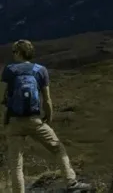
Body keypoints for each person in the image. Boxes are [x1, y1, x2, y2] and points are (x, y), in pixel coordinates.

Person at [2, 40, 91, 193]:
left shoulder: (9, 70)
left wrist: (6, 119)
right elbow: (47, 99)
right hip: (35, 120)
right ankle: (71, 183)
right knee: (58, 149)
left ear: (18, 53)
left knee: (16, 163)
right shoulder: (40, 70)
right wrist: (48, 117)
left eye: (13, 52)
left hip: (14, 122)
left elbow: (1, 97)